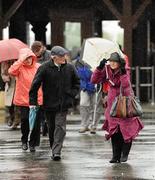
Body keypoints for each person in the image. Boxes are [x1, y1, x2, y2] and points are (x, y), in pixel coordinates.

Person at [91, 52, 144, 163]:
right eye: (111, 61)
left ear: (120, 63)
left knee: (126, 130)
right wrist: (99, 68)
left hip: (125, 103)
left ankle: (124, 154)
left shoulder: (125, 70)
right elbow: (94, 80)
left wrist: (123, 73)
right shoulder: (106, 70)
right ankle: (115, 156)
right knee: (114, 131)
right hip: (112, 105)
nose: (112, 63)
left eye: (115, 62)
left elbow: (125, 86)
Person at [29, 45, 80, 161]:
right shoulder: (44, 68)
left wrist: (71, 94)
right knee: (51, 128)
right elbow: (34, 85)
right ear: (53, 57)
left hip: (63, 104)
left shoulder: (70, 68)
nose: (64, 58)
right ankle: (54, 148)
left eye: (64, 55)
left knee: (60, 127)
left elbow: (77, 83)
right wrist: (33, 102)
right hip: (49, 104)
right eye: (61, 56)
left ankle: (57, 152)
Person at [8, 48, 43, 152]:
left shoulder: (38, 67)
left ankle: (32, 144)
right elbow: (11, 71)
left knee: (36, 123)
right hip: (23, 99)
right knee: (25, 120)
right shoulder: (20, 68)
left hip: (36, 99)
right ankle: (24, 141)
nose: (28, 60)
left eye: (29, 58)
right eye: (26, 58)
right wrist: (20, 60)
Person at [72, 56, 103, 134]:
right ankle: (84, 124)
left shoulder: (98, 59)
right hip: (84, 87)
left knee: (96, 107)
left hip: (96, 86)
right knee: (83, 105)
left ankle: (94, 125)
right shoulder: (78, 61)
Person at [31, 41, 50, 136]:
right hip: (37, 83)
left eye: (38, 51)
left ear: (42, 48)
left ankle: (45, 124)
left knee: (46, 106)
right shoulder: (31, 56)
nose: (37, 53)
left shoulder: (49, 55)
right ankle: (42, 125)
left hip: (48, 83)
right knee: (39, 106)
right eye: (35, 52)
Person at [1, 60, 20, 129]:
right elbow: (3, 74)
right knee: (9, 105)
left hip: (18, 84)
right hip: (9, 85)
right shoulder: (4, 63)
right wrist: (6, 78)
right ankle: (11, 119)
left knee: (17, 105)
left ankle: (16, 121)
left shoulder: (18, 62)